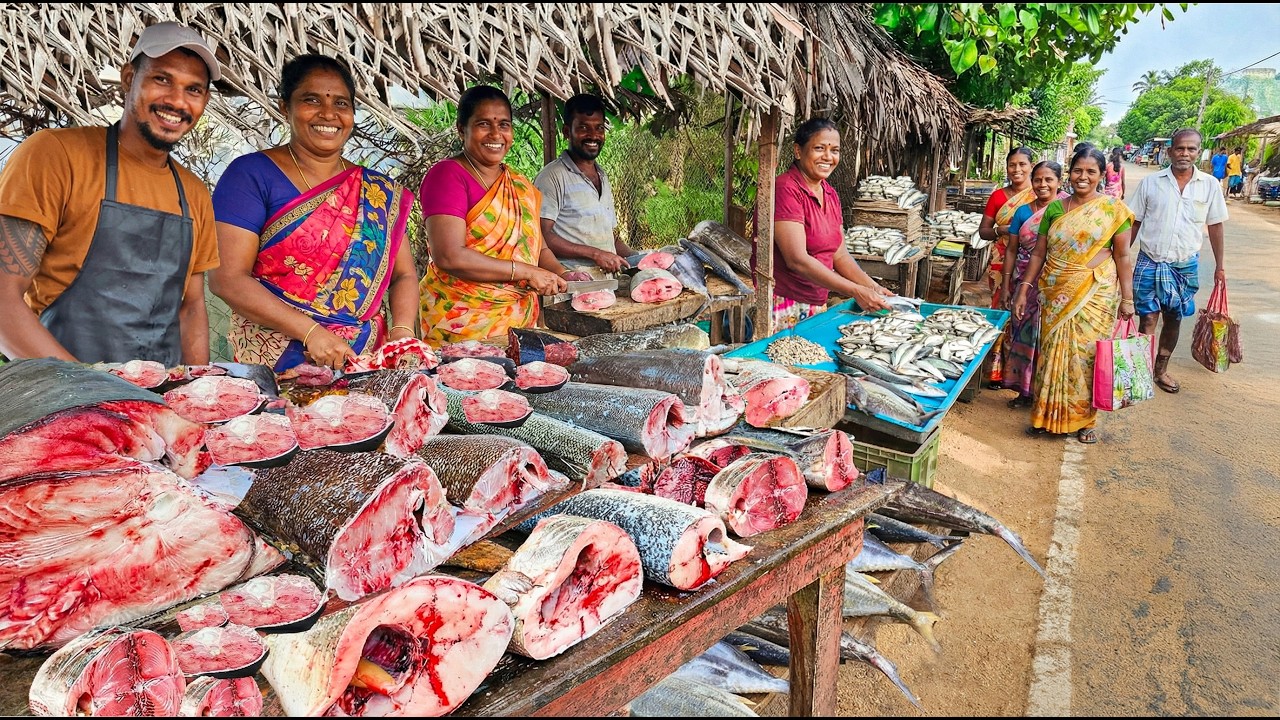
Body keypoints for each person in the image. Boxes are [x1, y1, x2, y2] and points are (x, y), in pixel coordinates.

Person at [0, 21, 221, 365]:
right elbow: (2, 300)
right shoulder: (55, 155)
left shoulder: (194, 193)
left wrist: (199, 391)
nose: (177, 101)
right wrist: (93, 392)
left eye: (194, 90)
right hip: (62, 393)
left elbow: (191, 308)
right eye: (162, 79)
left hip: (157, 393)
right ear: (129, 78)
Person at [209, 54, 418, 372]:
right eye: (311, 100)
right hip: (278, 359)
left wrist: (402, 332)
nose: (328, 114)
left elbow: (404, 274)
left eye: (341, 104)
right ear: (285, 107)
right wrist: (310, 332)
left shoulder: (377, 191)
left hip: (364, 359)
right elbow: (227, 279)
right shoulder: (250, 175)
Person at [418, 85, 570, 345]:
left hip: (520, 322)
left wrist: (564, 275)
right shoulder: (447, 175)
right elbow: (449, 256)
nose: (496, 134)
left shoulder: (521, 185)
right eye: (483, 124)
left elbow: (539, 250)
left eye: (504, 125)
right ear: (461, 129)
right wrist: (525, 272)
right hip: (460, 323)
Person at [1011, 147, 1136, 445]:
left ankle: (1085, 420)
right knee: (1052, 352)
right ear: (1070, 173)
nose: (1083, 177)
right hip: (1055, 292)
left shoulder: (1113, 210)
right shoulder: (1055, 209)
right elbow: (1039, 253)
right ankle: (1044, 415)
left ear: (1101, 174)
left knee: (1086, 357)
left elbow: (1123, 257)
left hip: (1095, 294)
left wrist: (1127, 299)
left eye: (1091, 172)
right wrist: (1023, 288)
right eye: (1078, 170)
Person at [753, 118, 892, 330]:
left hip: (815, 302)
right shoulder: (785, 189)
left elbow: (840, 255)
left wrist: (873, 287)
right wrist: (855, 291)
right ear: (798, 151)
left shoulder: (830, 193)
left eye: (834, 150)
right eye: (819, 148)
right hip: (782, 303)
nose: (828, 157)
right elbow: (796, 259)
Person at [1125, 127, 1227, 395]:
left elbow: (1215, 226)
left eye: (1191, 149)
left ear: (1199, 152)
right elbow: (1134, 222)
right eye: (1180, 148)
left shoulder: (1209, 186)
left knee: (1174, 318)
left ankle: (1161, 370)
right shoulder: (1151, 183)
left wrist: (1220, 266)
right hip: (1149, 261)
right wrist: (1120, 259)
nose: (1185, 153)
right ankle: (1141, 369)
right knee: (1147, 319)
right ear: (1170, 151)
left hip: (1184, 265)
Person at [534, 93, 635, 278]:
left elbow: (609, 237)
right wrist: (595, 254)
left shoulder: (602, 175)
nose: (593, 135)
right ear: (566, 132)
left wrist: (636, 258)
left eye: (599, 128)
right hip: (570, 283)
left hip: (605, 283)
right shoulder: (552, 177)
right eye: (583, 128)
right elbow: (541, 236)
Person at [999, 160, 1066, 409]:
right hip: (1025, 280)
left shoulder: (1068, 209)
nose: (1042, 184)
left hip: (1057, 283)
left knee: (1052, 337)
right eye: (1038, 179)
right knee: (1024, 336)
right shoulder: (1023, 212)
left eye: (1049, 179)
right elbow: (1011, 251)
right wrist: (1007, 286)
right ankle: (1024, 391)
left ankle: (1047, 395)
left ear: (1059, 182)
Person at [977, 147, 1035, 385]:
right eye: (1012, 165)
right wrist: (1003, 230)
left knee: (1028, 312)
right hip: (1001, 261)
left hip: (1033, 261)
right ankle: (996, 371)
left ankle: (1023, 371)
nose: (1017, 169)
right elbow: (983, 232)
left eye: (1022, 164)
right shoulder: (998, 196)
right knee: (1002, 307)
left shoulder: (1040, 194)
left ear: (1031, 166)